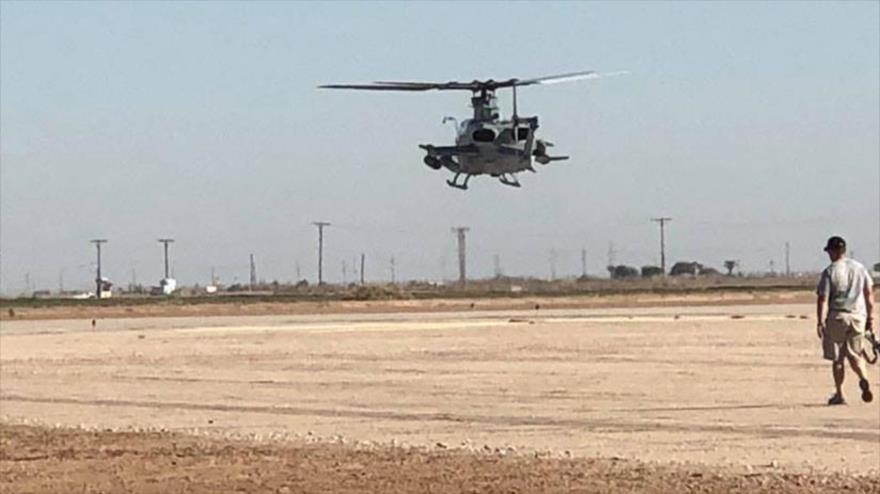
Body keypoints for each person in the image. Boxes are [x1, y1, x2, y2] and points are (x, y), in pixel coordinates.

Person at [816, 236, 875, 405]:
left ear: (834, 252)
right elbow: (869, 294)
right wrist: (870, 317)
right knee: (856, 354)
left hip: (837, 316)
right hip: (858, 316)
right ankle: (863, 377)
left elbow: (823, 298)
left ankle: (840, 394)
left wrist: (820, 321)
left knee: (838, 358)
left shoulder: (830, 271)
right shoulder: (860, 268)